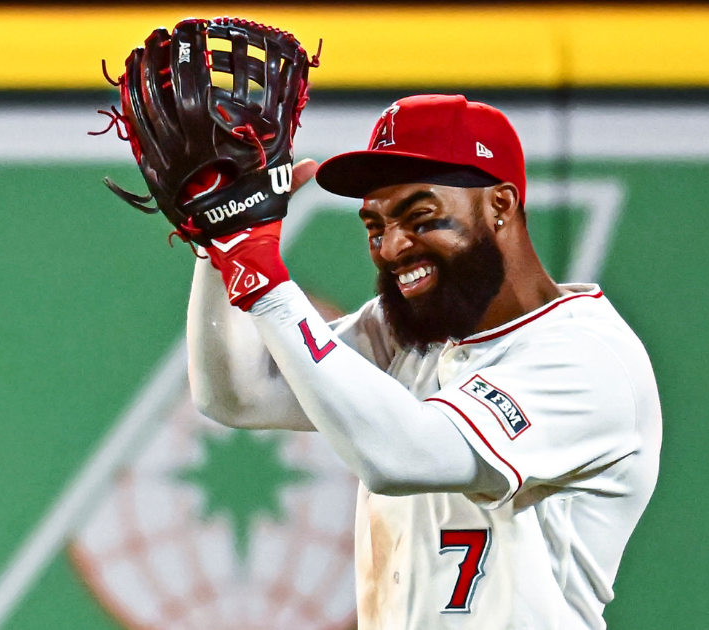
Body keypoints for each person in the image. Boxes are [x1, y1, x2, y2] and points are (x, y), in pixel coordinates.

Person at [186, 94, 662, 629]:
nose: (391, 247)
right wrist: (218, 243)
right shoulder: (413, 336)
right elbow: (238, 395)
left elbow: (401, 456)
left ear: (500, 206)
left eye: (420, 216)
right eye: (375, 226)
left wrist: (266, 282)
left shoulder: (585, 356)